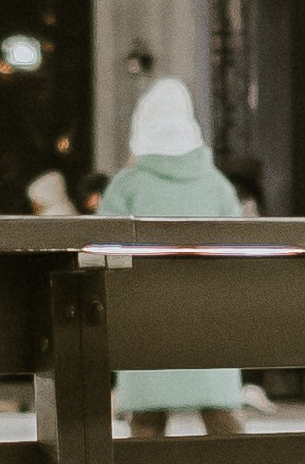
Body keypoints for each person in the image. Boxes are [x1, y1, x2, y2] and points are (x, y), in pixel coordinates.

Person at [99, 79, 250, 434]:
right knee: (220, 414)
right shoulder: (217, 185)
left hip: (144, 318)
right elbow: (238, 250)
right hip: (210, 320)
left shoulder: (127, 185)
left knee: (147, 418)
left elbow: (102, 246)